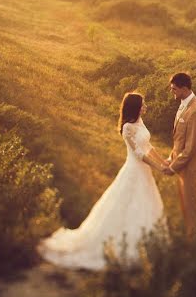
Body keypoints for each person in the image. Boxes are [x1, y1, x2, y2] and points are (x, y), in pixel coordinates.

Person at [38, 92, 167, 270]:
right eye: (143, 104)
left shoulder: (140, 122)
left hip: (145, 173)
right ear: (135, 107)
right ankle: (124, 248)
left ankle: (148, 247)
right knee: (128, 206)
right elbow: (139, 154)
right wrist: (159, 168)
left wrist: (164, 161)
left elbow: (149, 147)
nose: (146, 106)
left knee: (146, 205)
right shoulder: (128, 127)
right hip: (134, 171)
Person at [163, 72, 196, 237]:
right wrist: (170, 158)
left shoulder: (195, 110)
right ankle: (189, 237)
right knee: (185, 206)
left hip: (190, 168)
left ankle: (195, 242)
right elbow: (180, 140)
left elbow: (190, 148)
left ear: (184, 88)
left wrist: (172, 168)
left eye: (174, 89)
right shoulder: (184, 104)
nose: (171, 91)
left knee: (192, 207)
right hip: (183, 166)